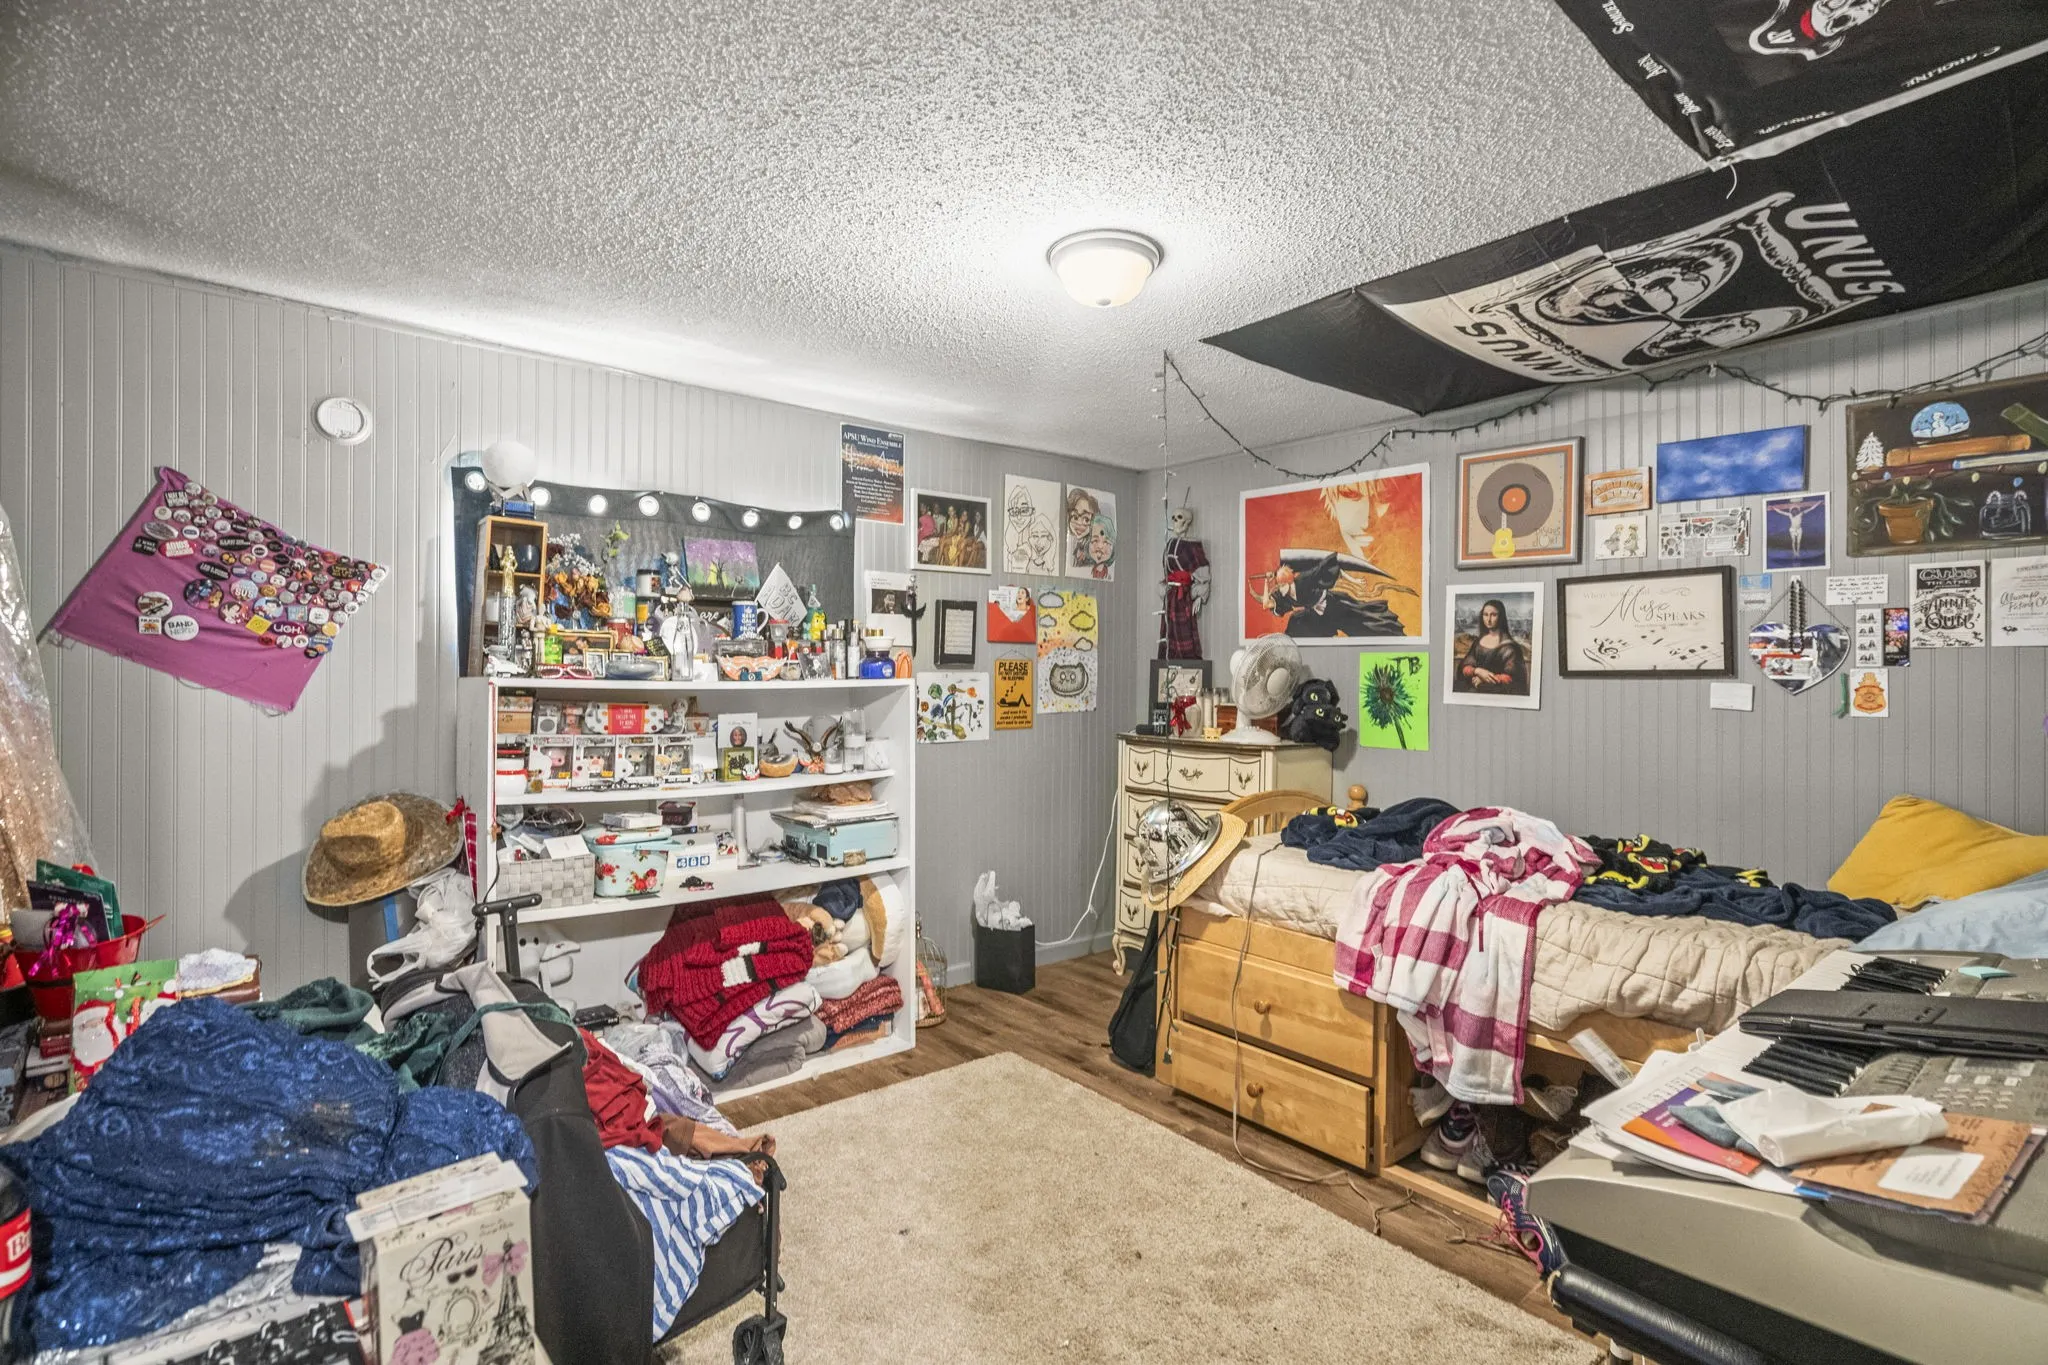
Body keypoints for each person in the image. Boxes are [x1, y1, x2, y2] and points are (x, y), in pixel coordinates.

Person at [1255, 481, 1411, 637]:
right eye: (1351, 495)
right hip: (1317, 615)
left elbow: (1332, 567)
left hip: (1335, 605)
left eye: (1384, 496)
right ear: (1333, 503)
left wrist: (1355, 581)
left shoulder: (1305, 578)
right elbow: (1266, 604)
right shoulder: (1285, 596)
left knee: (1373, 625)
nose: (1367, 520)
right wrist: (1267, 583)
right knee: (1296, 626)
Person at [1453, 599, 1528, 695]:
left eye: (1493, 615)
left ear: (1501, 617)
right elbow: (1464, 667)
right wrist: (1477, 671)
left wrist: (1485, 679)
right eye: (1485, 615)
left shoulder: (1510, 647)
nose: (1488, 619)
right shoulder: (1478, 642)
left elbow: (1513, 678)